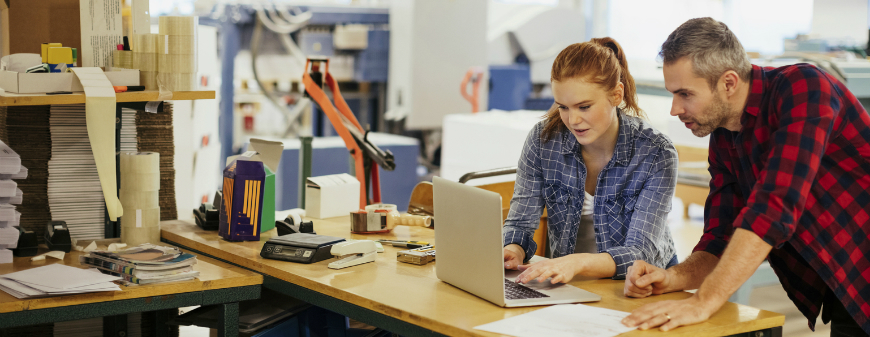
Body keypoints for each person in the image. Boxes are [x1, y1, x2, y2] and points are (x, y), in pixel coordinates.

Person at [621, 17, 870, 336]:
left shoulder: (805, 88)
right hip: (846, 285)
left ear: (728, 83)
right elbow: (720, 235)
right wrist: (674, 278)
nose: (674, 109)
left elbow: (774, 208)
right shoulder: (725, 134)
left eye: (685, 94)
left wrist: (704, 300)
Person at [502, 37, 679, 284]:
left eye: (584, 107)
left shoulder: (656, 153)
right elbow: (520, 222)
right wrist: (513, 250)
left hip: (639, 287)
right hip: (568, 284)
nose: (572, 120)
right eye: (563, 107)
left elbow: (641, 252)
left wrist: (577, 262)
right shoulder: (543, 140)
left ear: (617, 95)